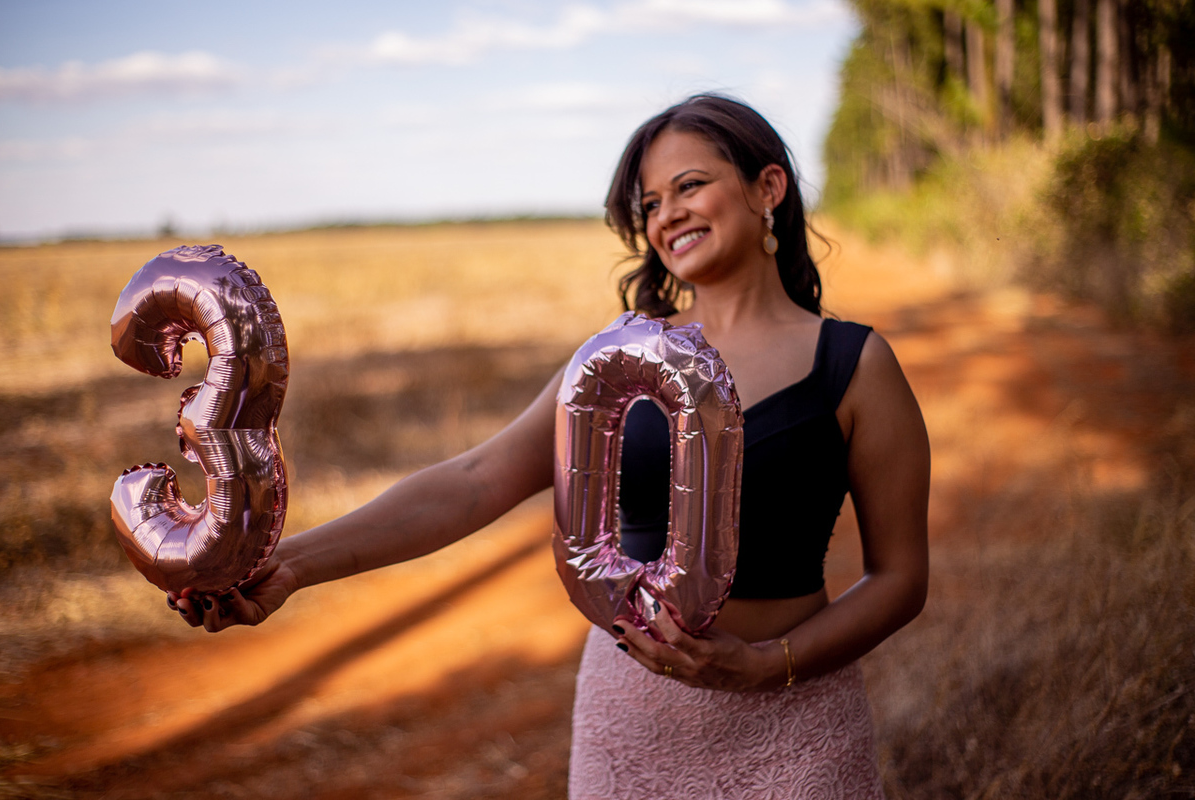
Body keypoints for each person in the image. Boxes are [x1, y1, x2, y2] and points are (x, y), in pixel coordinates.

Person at [171, 94, 930, 799]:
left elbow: (900, 577)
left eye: (690, 186)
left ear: (769, 188)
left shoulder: (856, 365)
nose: (668, 216)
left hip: (797, 729)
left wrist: (767, 668)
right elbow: (473, 480)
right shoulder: (615, 367)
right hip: (631, 723)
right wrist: (291, 565)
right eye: (650, 204)